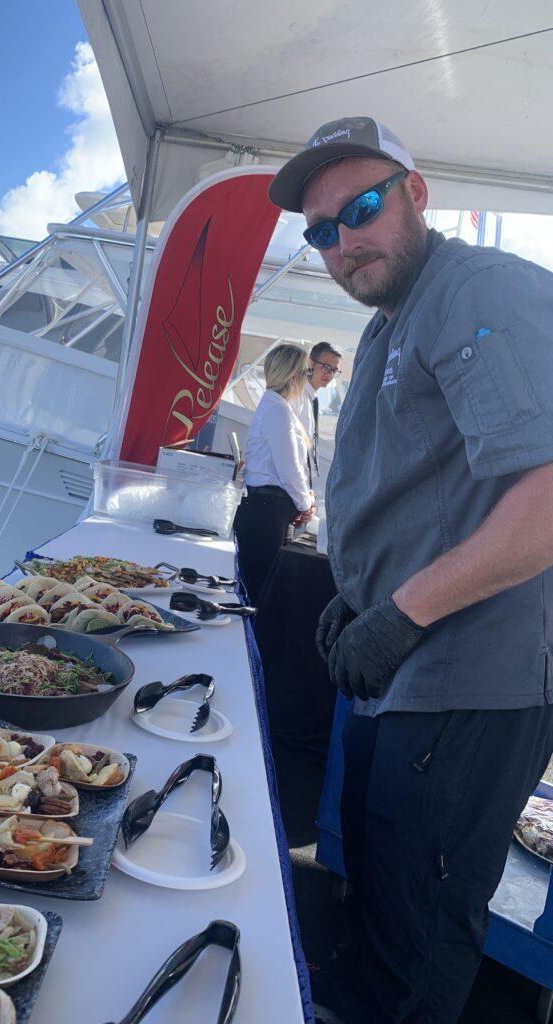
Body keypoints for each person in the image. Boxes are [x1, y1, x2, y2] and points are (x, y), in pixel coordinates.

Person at [268, 116, 553, 1024]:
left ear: (416, 194)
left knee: (421, 918)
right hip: (407, 669)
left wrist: (397, 616)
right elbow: (422, 493)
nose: (342, 241)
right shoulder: (397, 321)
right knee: (380, 880)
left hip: (471, 677)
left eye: (359, 207)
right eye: (320, 230)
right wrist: (356, 599)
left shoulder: (481, 291)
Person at [234, 343, 316, 604]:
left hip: (264, 508)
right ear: (294, 376)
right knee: (261, 590)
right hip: (267, 511)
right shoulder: (278, 410)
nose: (308, 379)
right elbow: (290, 467)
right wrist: (306, 503)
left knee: (255, 587)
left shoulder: (274, 407)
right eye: (307, 373)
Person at [297, 341, 343, 478]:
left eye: (334, 371)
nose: (329, 375)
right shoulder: (296, 397)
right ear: (310, 363)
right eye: (325, 368)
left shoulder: (311, 399)